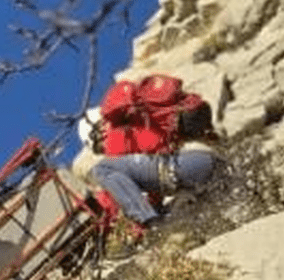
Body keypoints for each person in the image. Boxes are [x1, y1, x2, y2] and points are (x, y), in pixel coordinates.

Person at [85, 73, 224, 228]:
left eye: (98, 147)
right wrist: (155, 206)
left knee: (102, 169)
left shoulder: (115, 137)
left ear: (97, 133)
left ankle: (151, 223)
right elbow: (151, 175)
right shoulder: (141, 120)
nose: (103, 151)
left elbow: (116, 196)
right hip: (204, 161)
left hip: (184, 165)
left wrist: (102, 205)